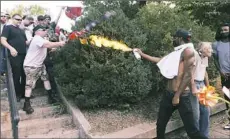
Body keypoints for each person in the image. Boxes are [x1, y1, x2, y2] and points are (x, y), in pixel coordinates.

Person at [134, 29, 207, 139]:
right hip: (168, 94)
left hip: (182, 96)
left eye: (175, 37)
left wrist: (177, 96)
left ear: (180, 39)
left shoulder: (188, 51)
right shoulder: (177, 52)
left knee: (192, 131)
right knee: (160, 124)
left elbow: (188, 75)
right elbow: (160, 60)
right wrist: (142, 54)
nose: (173, 39)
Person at [23, 25, 66, 114]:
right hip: (32, 66)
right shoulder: (37, 38)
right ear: (37, 32)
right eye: (43, 30)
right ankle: (26, 104)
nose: (45, 31)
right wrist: (60, 43)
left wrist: (57, 47)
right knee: (30, 84)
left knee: (46, 79)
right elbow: (48, 44)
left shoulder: (41, 39)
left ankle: (50, 97)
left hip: (40, 65)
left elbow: (49, 46)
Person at [1, 14, 32, 102]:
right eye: (17, 19)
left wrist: (32, 40)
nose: (19, 21)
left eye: (20, 19)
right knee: (16, 74)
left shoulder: (21, 30)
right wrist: (11, 48)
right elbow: (3, 40)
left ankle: (23, 93)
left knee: (24, 74)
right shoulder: (8, 27)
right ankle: (17, 94)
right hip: (15, 55)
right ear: (12, 19)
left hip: (24, 54)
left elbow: (25, 42)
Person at [190, 42, 213, 138]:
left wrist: (208, 88)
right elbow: (189, 73)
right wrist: (193, 87)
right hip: (194, 83)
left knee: (206, 111)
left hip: (202, 85)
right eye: (208, 49)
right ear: (202, 50)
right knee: (196, 114)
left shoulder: (205, 57)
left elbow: (205, 73)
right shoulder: (194, 56)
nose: (211, 50)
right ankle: (196, 136)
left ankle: (205, 136)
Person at [212, 23, 230, 130]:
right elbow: (215, 60)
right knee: (228, 98)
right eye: (222, 30)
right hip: (225, 76)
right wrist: (221, 71)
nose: (223, 32)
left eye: (226, 30)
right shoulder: (216, 44)